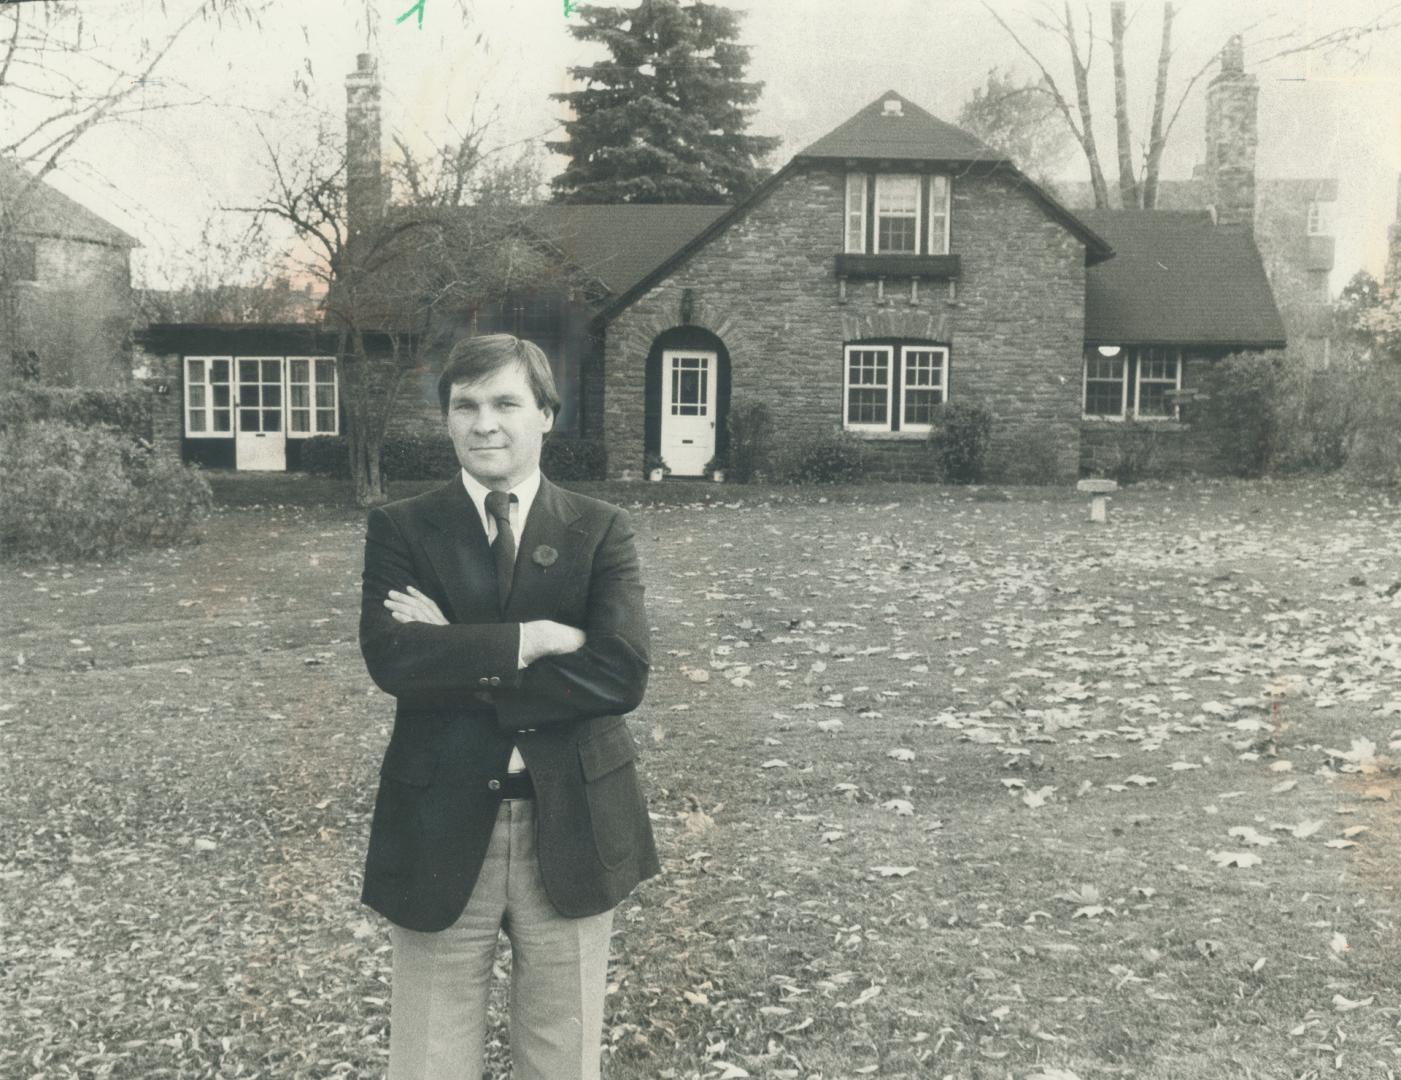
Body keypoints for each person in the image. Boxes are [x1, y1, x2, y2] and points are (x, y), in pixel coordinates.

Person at [357, 333, 658, 1080]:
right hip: (440, 821)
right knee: (428, 1060)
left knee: (563, 1059)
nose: (484, 423)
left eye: (505, 403)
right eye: (465, 405)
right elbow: (394, 659)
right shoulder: (400, 527)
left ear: (546, 415)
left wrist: (456, 647)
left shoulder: (599, 528)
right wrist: (532, 639)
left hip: (573, 822)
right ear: (446, 419)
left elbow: (619, 674)